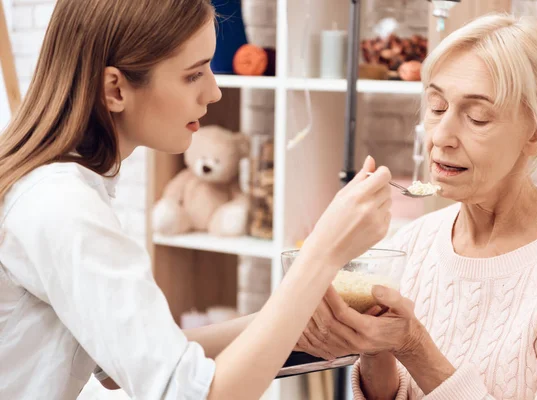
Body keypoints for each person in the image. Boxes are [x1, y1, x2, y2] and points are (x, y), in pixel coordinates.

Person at [0, 1, 393, 399]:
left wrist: (298, 321)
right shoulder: (62, 206)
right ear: (115, 89)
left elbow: (122, 363)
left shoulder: (60, 190)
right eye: (193, 75)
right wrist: (322, 253)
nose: (214, 91)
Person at [295, 13, 537, 400]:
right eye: (437, 107)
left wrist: (414, 347)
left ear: (536, 131)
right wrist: (376, 348)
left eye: (477, 117)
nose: (441, 136)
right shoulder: (415, 243)